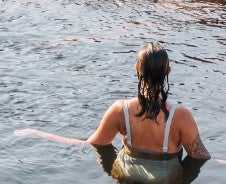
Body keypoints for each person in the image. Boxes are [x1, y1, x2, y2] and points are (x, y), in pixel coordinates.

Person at [87, 44, 210, 183]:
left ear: (137, 69)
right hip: (165, 178)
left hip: (126, 175)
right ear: (168, 71)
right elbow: (199, 156)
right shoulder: (181, 116)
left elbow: (97, 143)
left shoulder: (120, 110)